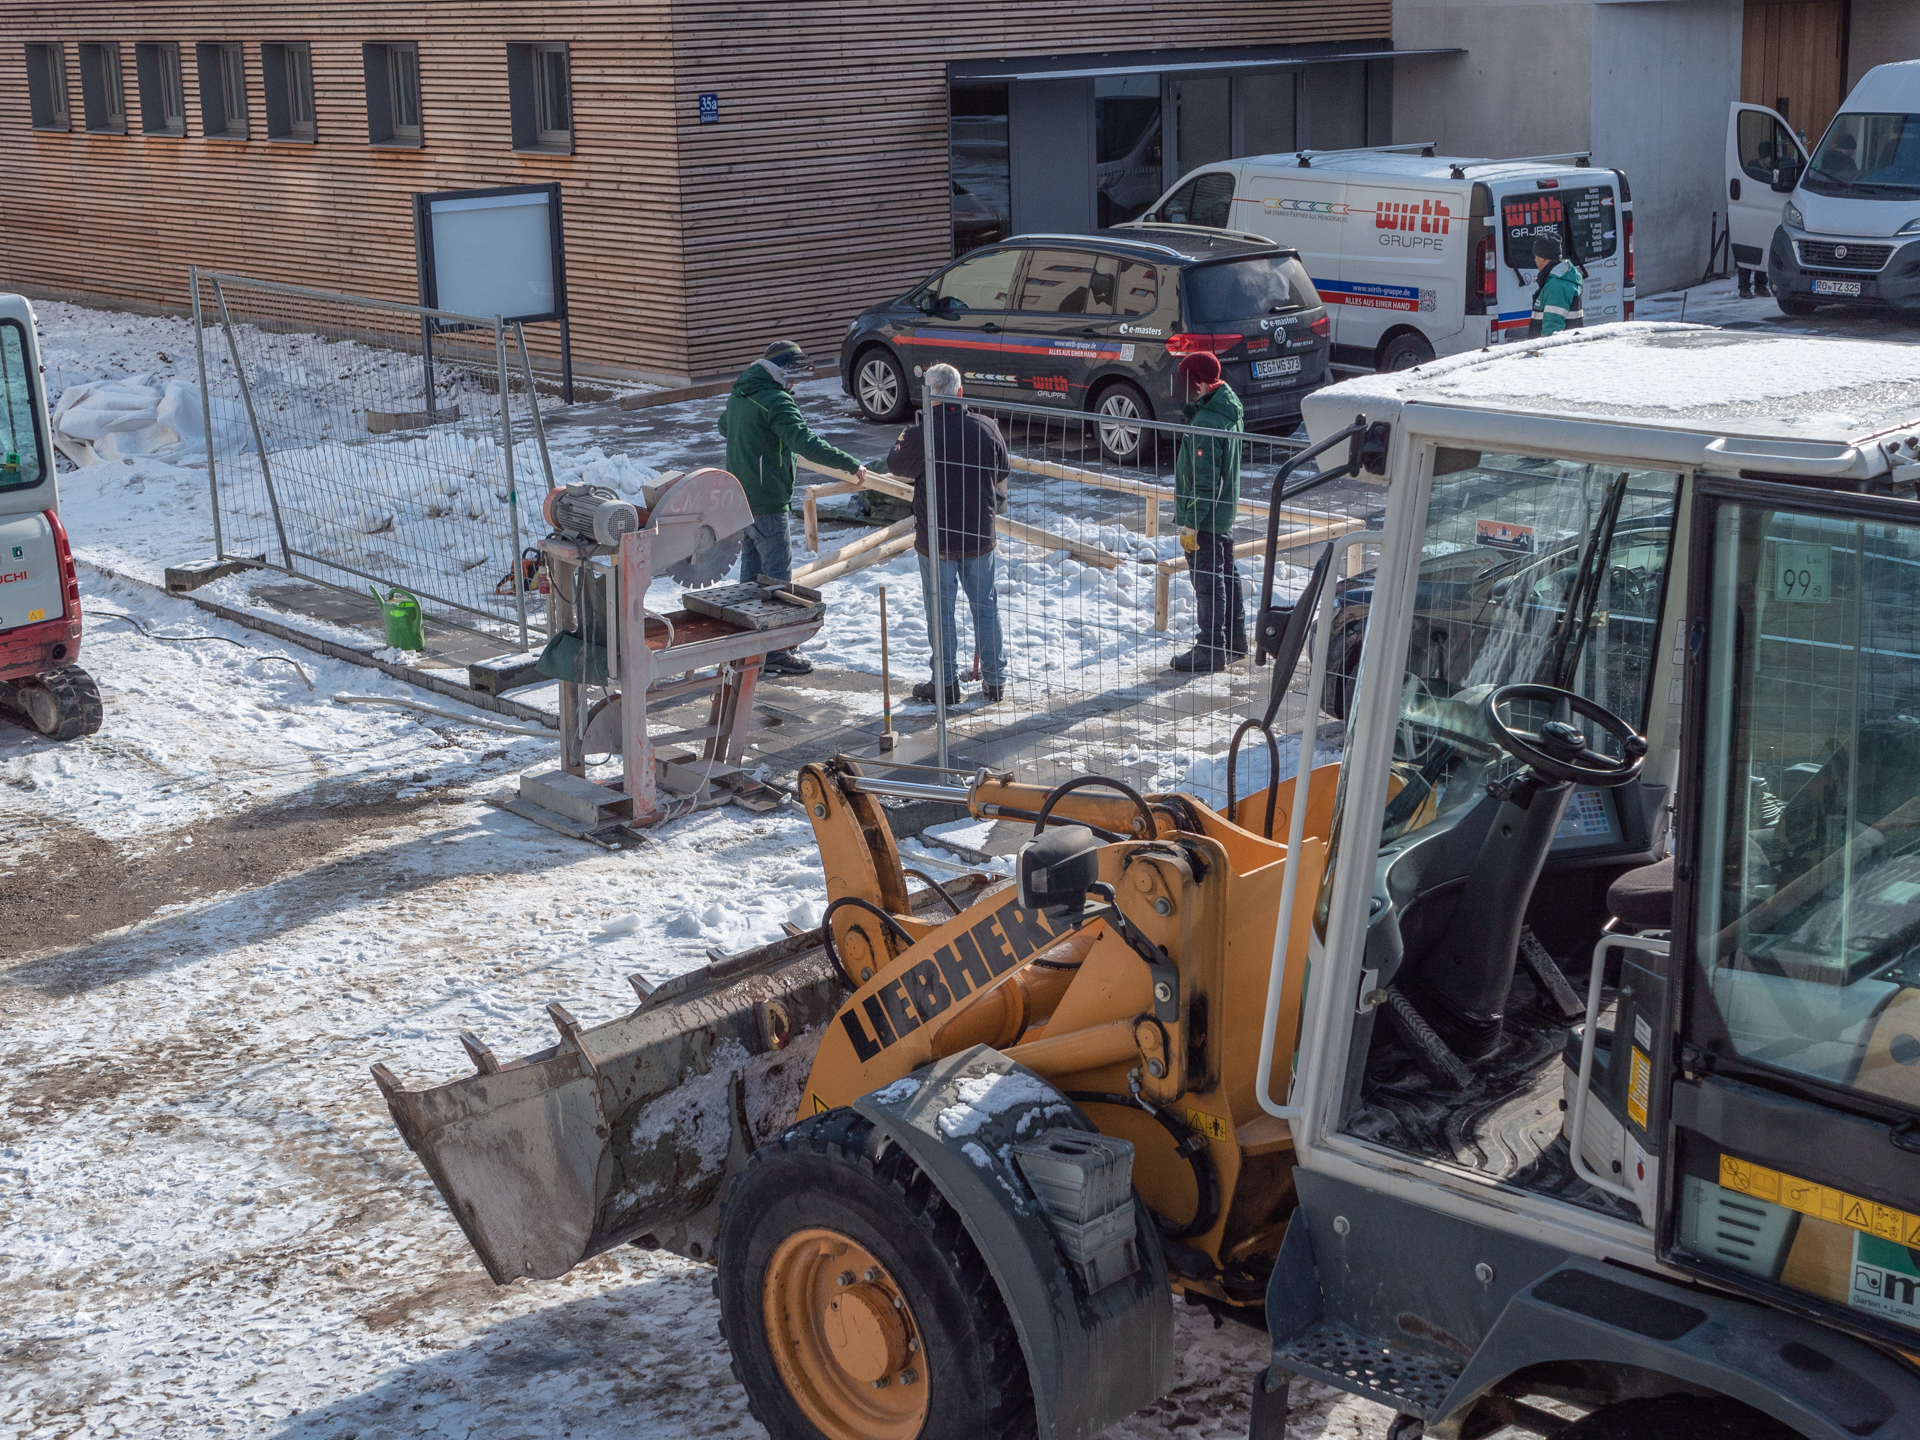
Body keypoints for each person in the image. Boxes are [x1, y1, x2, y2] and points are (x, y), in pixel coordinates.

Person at [718, 339, 872, 675]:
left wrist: (756, 443)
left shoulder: (741, 393)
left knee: (751, 579)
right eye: (796, 375)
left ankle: (747, 648)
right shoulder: (775, 401)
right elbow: (805, 442)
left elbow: (724, 426)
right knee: (775, 579)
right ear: (784, 372)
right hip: (768, 501)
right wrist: (849, 464)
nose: (798, 383)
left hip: (741, 499)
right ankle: (773, 652)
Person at [885, 363, 1009, 705]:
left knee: (940, 611)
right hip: (979, 536)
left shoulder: (919, 435)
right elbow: (1002, 470)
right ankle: (995, 681)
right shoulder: (986, 427)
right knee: (985, 608)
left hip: (936, 539)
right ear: (959, 392)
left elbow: (895, 466)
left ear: (928, 394)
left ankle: (946, 683)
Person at [1172, 350, 1247, 673]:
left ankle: (1210, 647)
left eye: (1185, 379)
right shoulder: (1227, 408)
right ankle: (1234, 639)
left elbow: (1204, 480)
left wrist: (1190, 523)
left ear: (1198, 381)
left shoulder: (1206, 422)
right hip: (1224, 510)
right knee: (1226, 573)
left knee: (1207, 580)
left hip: (1206, 516)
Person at [1527, 233, 1585, 338]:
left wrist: (1545, 352)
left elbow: (1552, 330)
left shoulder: (1557, 285)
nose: (1534, 259)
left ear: (1543, 258)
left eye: (1535, 256)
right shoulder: (1560, 279)